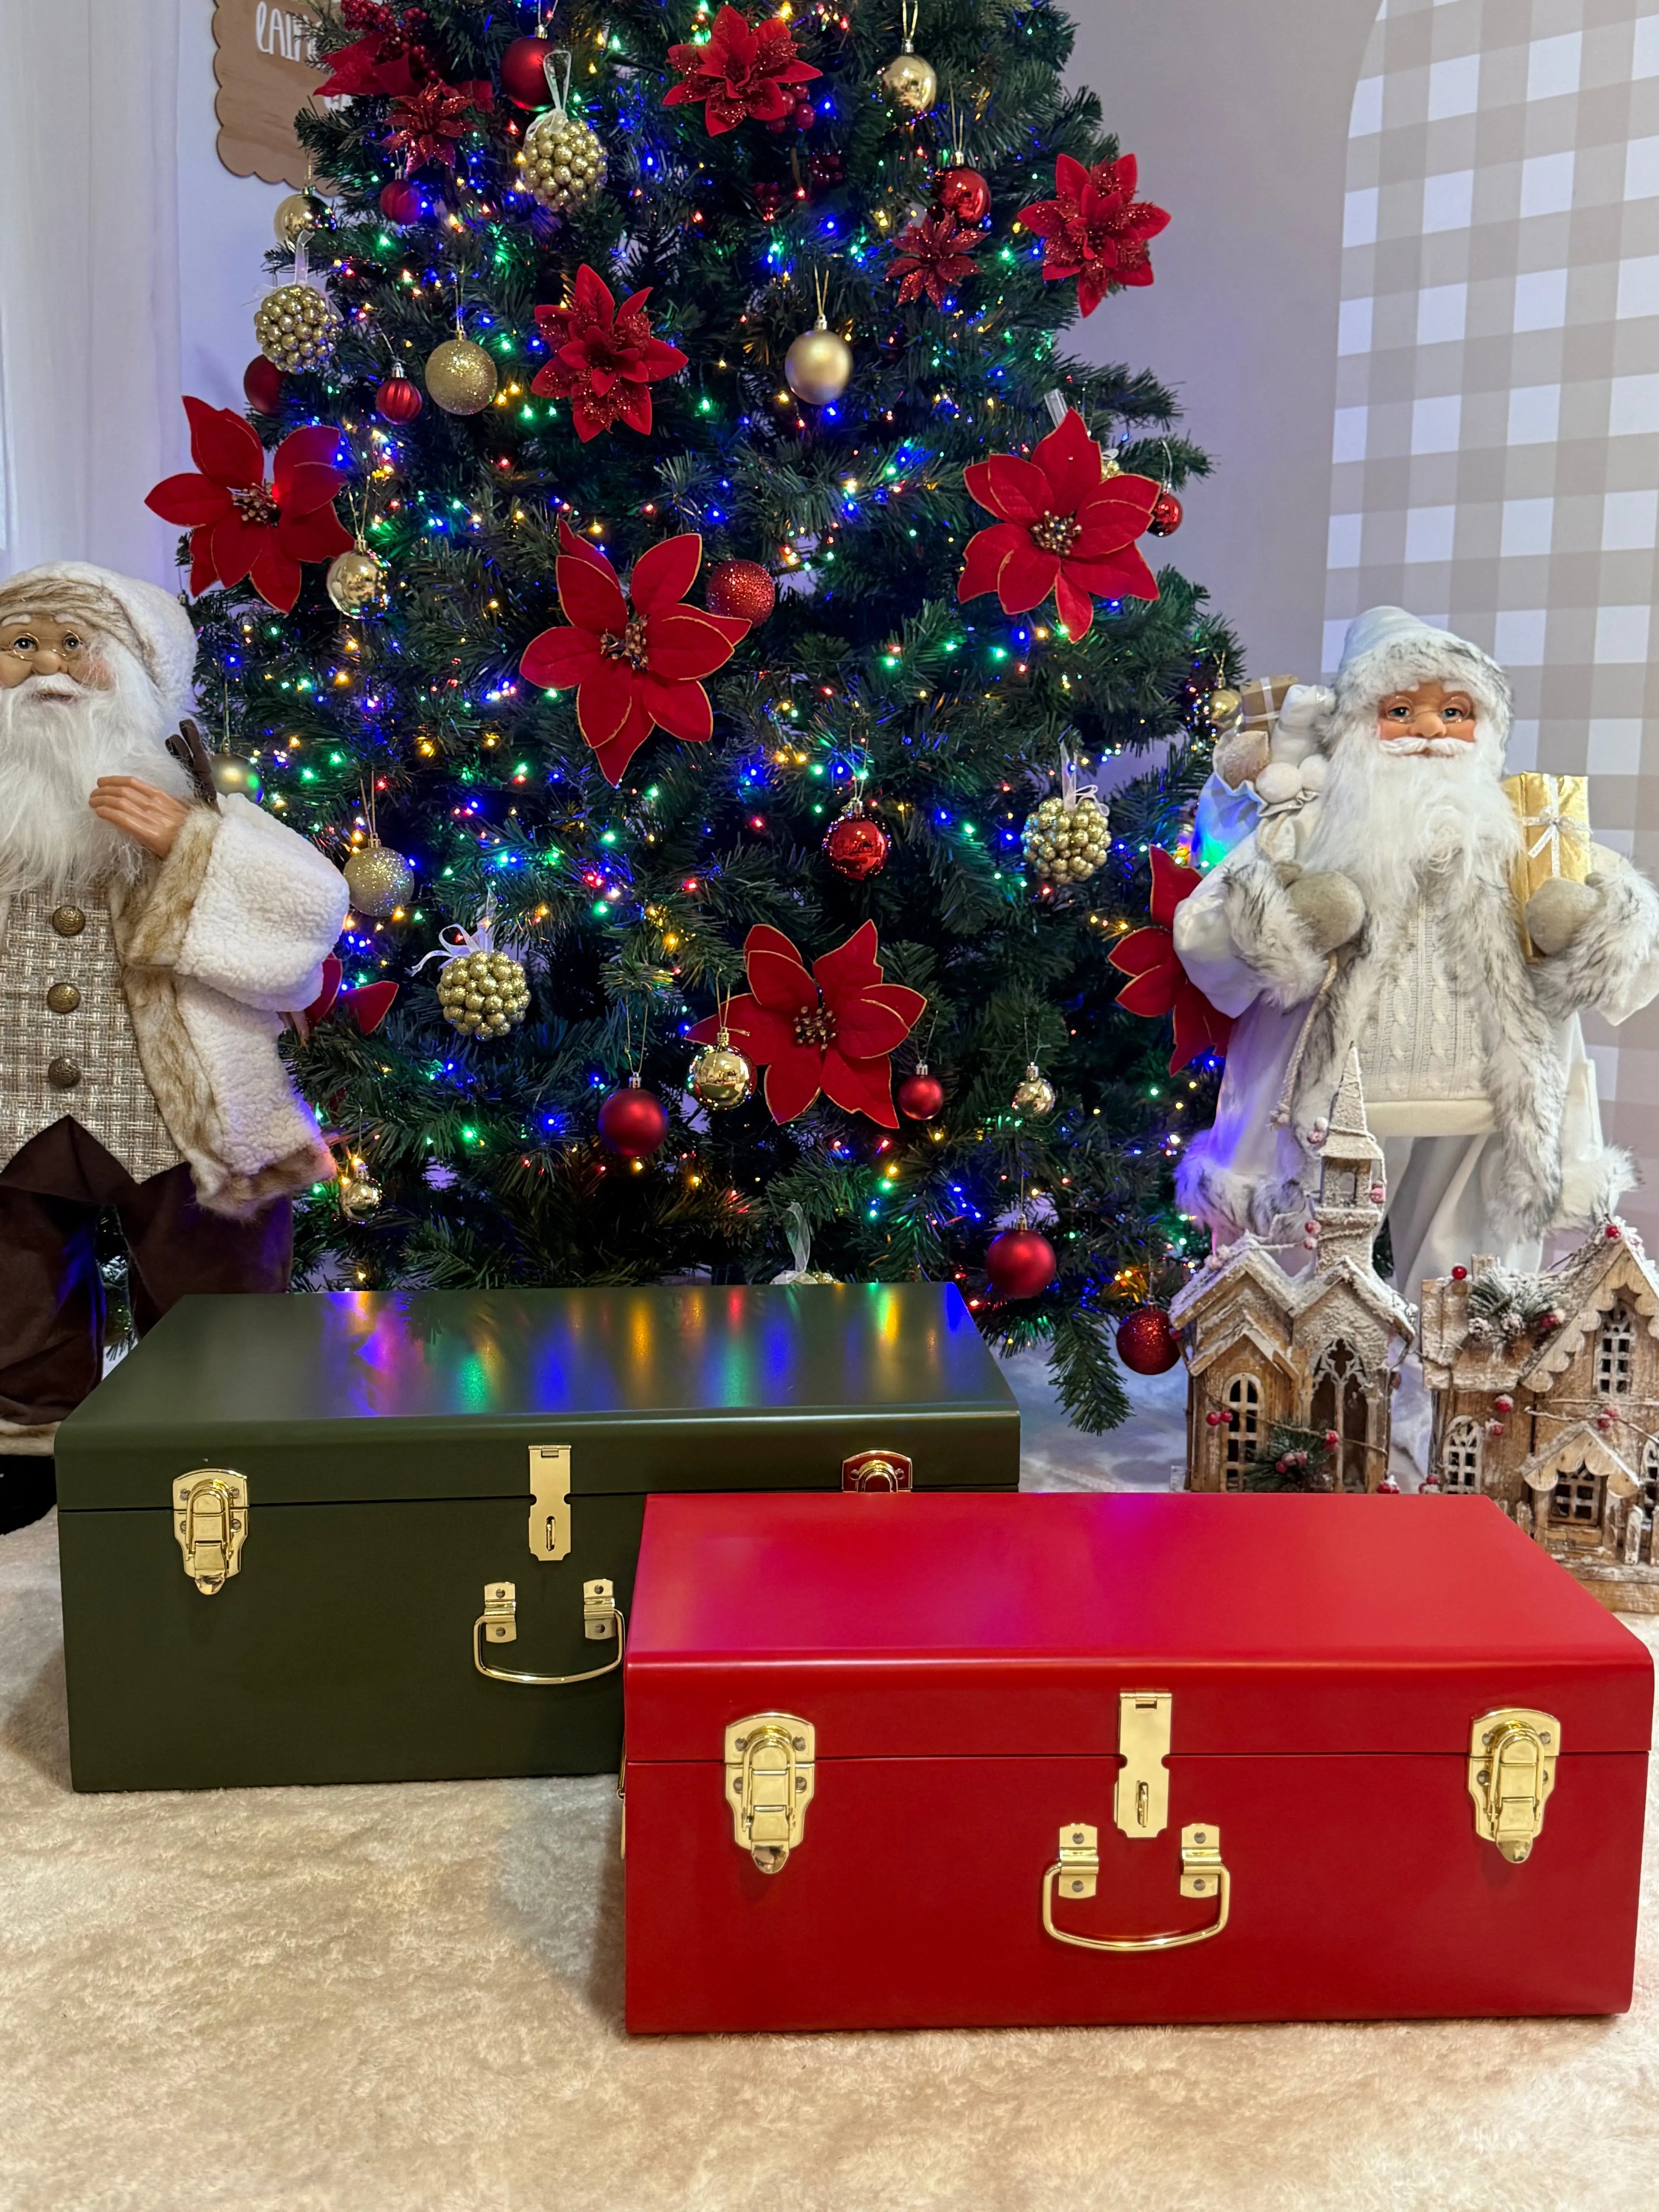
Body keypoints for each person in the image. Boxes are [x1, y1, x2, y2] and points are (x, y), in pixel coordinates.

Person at [1173, 605, 1659, 1475]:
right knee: (1300, 1273)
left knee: (1471, 1282)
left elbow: (1632, 955)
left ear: (1486, 728)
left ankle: (1450, 1435)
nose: (1431, 730)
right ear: (1358, 723)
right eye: (1402, 710)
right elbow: (1209, 934)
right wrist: (1288, 923)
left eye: (1455, 711)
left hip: (1483, 1102)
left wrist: (1592, 929)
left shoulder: (1525, 831)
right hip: (1333, 1101)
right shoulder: (1311, 823)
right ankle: (1293, 1439)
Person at [0, 561, 347, 1531]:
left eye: (76, 645)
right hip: (11, 1104)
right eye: (21, 645)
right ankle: (26, 1442)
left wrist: (193, 848)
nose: (48, 668)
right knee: (14, 1287)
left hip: (178, 1108)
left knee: (214, 1286)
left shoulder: (195, 802)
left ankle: (213, 1438)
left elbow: (309, 910)